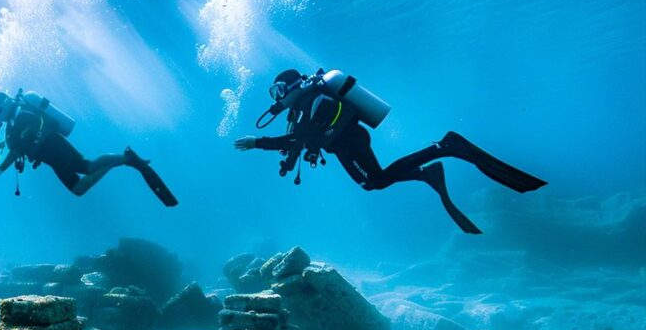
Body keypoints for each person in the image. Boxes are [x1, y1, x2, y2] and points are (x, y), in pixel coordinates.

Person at [233, 68, 546, 234]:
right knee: (374, 182)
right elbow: (297, 141)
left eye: (277, 91)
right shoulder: (301, 108)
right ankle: (428, 170)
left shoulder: (315, 100)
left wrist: (257, 142)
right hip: (343, 145)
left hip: (351, 142)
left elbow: (296, 140)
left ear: (290, 88)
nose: (276, 98)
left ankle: (443, 148)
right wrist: (287, 162)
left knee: (377, 181)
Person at [0, 90, 177, 206]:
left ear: (1, 106)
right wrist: (1, 169)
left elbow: (43, 126)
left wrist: (3, 168)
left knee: (89, 166)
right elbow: (16, 150)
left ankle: (125, 158)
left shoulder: (23, 114)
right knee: (78, 189)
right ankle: (121, 160)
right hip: (51, 158)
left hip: (56, 148)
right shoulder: (11, 126)